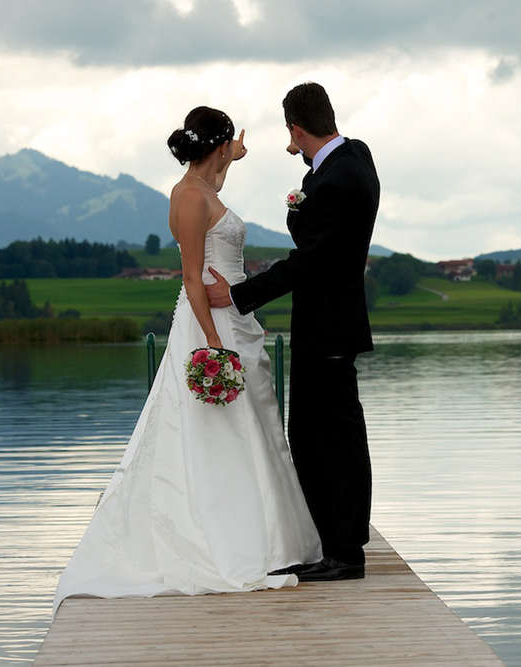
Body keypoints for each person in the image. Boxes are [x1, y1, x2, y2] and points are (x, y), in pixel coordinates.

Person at [52, 106, 321, 614]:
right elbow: (193, 277)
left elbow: (212, 190)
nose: (230, 158)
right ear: (217, 146)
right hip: (211, 322)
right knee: (220, 427)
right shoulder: (190, 197)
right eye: (228, 150)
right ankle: (226, 542)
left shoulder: (204, 186)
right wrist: (215, 342)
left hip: (232, 315)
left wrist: (231, 161)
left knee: (251, 425)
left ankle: (266, 540)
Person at [205, 83, 380, 581]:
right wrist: (305, 163)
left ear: (294, 129)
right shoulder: (354, 158)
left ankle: (343, 552)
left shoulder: (335, 181)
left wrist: (239, 296)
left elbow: (309, 261)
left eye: (292, 134)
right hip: (332, 325)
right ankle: (337, 541)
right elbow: (321, 224)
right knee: (326, 434)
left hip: (327, 327)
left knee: (324, 439)